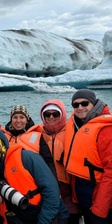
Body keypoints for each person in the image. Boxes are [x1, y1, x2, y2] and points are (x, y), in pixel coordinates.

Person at [0, 128, 69, 224]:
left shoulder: (27, 158)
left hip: (47, 216)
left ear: (4, 143)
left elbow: (52, 192)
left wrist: (43, 221)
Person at [64, 89, 112, 224]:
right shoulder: (79, 125)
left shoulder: (106, 129)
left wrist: (100, 208)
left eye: (84, 103)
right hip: (84, 194)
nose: (79, 108)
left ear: (94, 104)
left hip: (99, 195)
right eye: (75, 105)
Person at [40, 99, 81, 224]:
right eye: (47, 114)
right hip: (47, 186)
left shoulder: (73, 131)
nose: (51, 117)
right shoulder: (37, 133)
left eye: (55, 114)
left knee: (71, 216)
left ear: (62, 114)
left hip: (68, 186)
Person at [2, 105, 57, 177]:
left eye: (22, 117)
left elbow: (48, 161)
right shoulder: (3, 137)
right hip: (11, 177)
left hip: (33, 178)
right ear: (11, 119)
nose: (18, 120)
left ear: (27, 119)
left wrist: (53, 180)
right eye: (15, 117)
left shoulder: (38, 136)